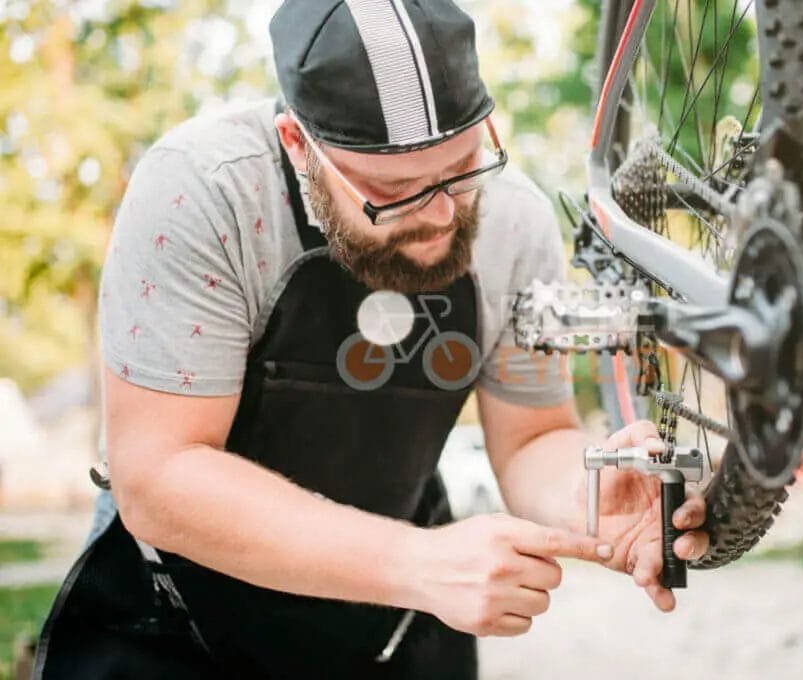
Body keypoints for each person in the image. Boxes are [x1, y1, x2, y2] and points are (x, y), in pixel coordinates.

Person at [34, 1, 709, 677]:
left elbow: (532, 438)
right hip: (173, 622)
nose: (443, 213)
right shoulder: (204, 194)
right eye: (396, 192)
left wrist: (590, 492)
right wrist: (419, 564)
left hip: (391, 632)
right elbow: (159, 475)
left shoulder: (513, 223)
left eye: (463, 167)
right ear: (299, 147)